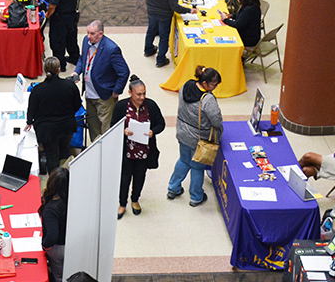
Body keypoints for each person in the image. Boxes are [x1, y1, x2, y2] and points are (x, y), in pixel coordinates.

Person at [167, 66, 223, 207]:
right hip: (199, 139)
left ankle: (173, 188)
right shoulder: (207, 99)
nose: (215, 87)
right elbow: (217, 121)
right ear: (205, 83)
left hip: (182, 133)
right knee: (197, 167)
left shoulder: (186, 85)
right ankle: (196, 196)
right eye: (214, 84)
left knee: (184, 160)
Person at [111, 76, 165, 219]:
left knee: (140, 177)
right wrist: (123, 131)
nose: (142, 97)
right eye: (138, 94)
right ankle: (122, 203)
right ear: (130, 93)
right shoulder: (121, 107)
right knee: (124, 179)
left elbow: (161, 123)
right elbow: (112, 126)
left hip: (144, 153)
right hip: (126, 151)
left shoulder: (151, 106)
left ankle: (135, 200)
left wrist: (153, 132)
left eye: (144, 93)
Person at [72, 21, 130, 143]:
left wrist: (116, 91)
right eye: (87, 32)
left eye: (92, 33)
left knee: (106, 128)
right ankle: (95, 150)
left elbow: (124, 72)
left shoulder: (111, 49)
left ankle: (107, 154)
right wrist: (77, 71)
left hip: (104, 95)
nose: (89, 36)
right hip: (89, 93)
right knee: (93, 125)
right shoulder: (86, 41)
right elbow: (83, 58)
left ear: (101, 34)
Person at [28, 57, 83, 175]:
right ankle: (66, 176)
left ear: (44, 70)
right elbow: (78, 105)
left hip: (47, 130)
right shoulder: (70, 86)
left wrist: (29, 121)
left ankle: (54, 181)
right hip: (67, 126)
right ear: (59, 70)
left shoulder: (37, 90)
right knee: (65, 150)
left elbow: (32, 110)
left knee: (52, 156)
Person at [141, 0, 196, 68]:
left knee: (151, 30)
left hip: (151, 10)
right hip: (164, 14)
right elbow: (174, 6)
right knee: (164, 36)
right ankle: (160, 59)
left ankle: (148, 50)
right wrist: (189, 10)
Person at [47, 0, 81, 72]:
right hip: (71, 13)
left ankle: (60, 65)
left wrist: (47, 15)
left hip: (59, 17)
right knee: (71, 37)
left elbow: (52, 5)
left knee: (57, 41)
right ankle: (75, 57)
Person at [39, 167, 70, 282]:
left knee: (60, 278)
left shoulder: (51, 208)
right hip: (72, 241)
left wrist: (45, 245)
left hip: (58, 248)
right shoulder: (72, 199)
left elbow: (52, 236)